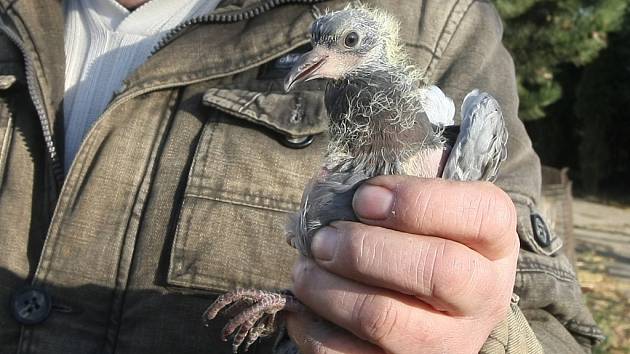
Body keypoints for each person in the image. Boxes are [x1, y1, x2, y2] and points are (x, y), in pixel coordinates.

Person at [0, 0, 603, 353]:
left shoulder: (443, 26)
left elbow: (552, 328)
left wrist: (481, 338)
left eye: (341, 47)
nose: (313, 63)